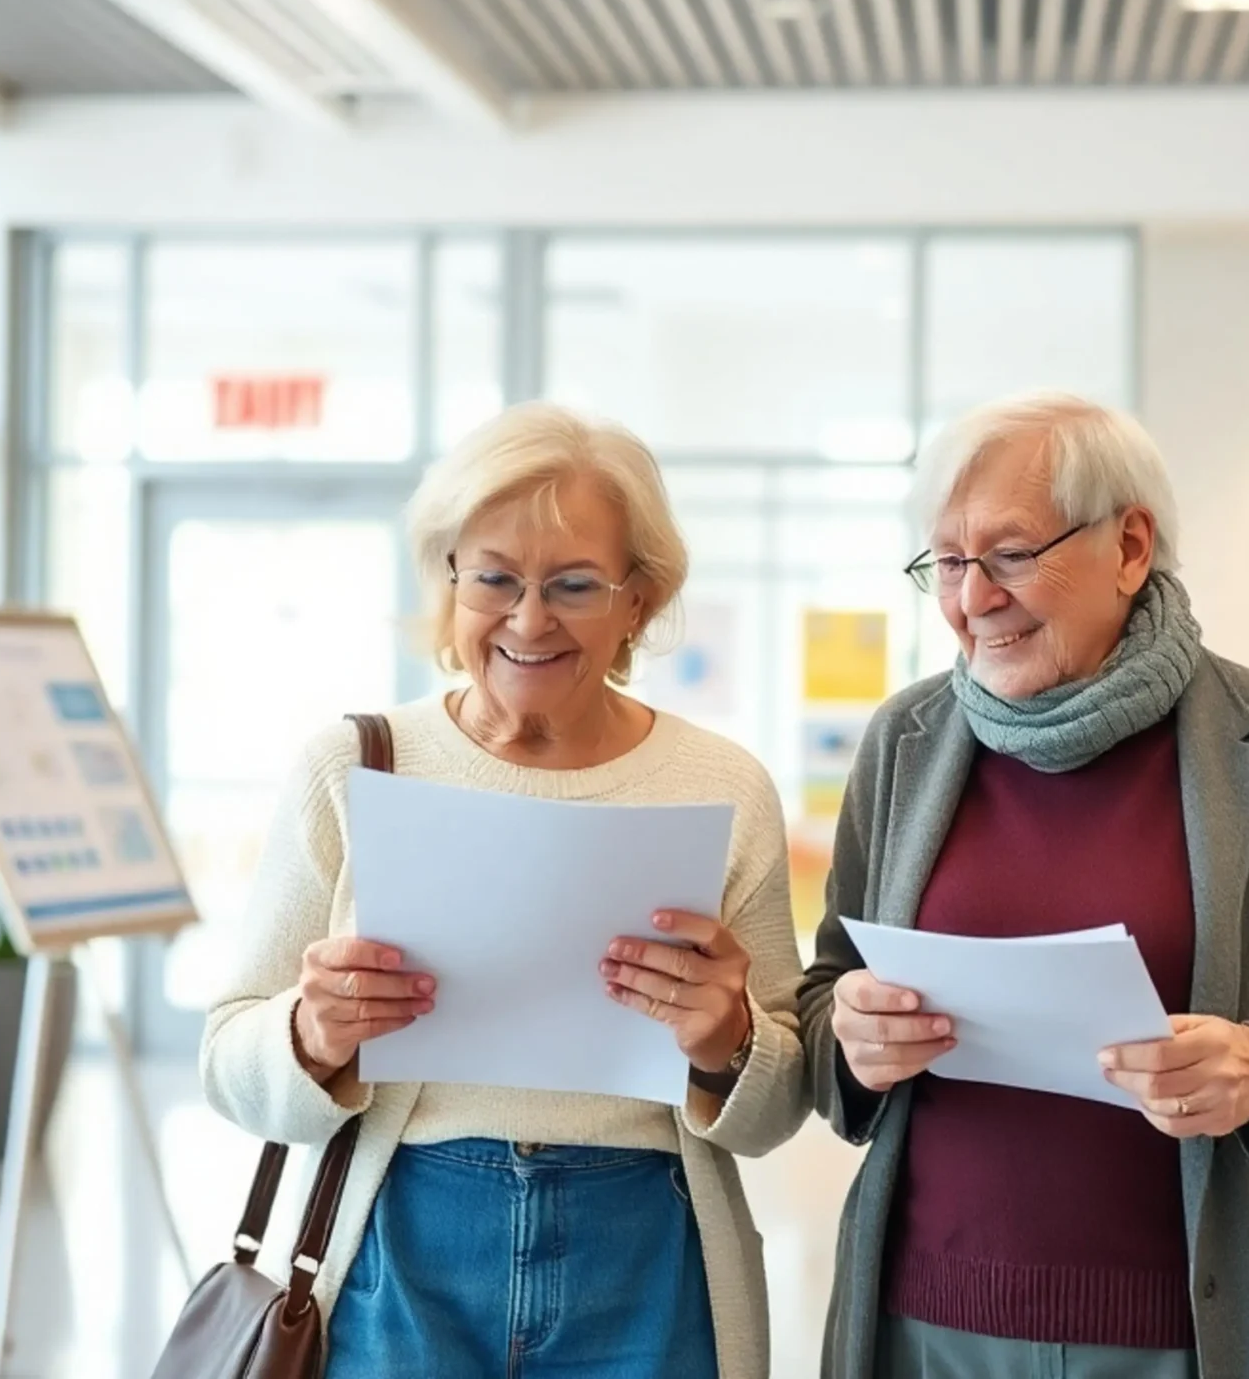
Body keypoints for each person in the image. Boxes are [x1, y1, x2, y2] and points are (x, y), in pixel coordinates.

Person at [797, 391, 1249, 1379]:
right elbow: (824, 1001)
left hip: (1192, 1336)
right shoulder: (904, 742)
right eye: (946, 560)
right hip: (930, 1326)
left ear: (1129, 546)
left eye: (1012, 553)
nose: (971, 597)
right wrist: (850, 1032)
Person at [199, 404, 809, 1379]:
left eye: (572, 584)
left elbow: (780, 1105)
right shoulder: (353, 765)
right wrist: (313, 1034)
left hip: (648, 1246)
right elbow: (227, 1053)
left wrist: (726, 1042)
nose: (528, 618)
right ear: (449, 581)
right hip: (403, 1241)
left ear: (638, 603)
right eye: (493, 578)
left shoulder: (721, 785)